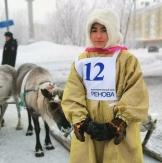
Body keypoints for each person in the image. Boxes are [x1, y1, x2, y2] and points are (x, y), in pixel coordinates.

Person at [61, 8, 149, 163]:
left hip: (120, 130)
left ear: (113, 30)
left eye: (104, 29)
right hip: (89, 130)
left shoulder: (127, 60)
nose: (99, 36)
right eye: (94, 30)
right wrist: (81, 121)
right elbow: (72, 94)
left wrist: (120, 121)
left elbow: (136, 93)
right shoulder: (82, 60)